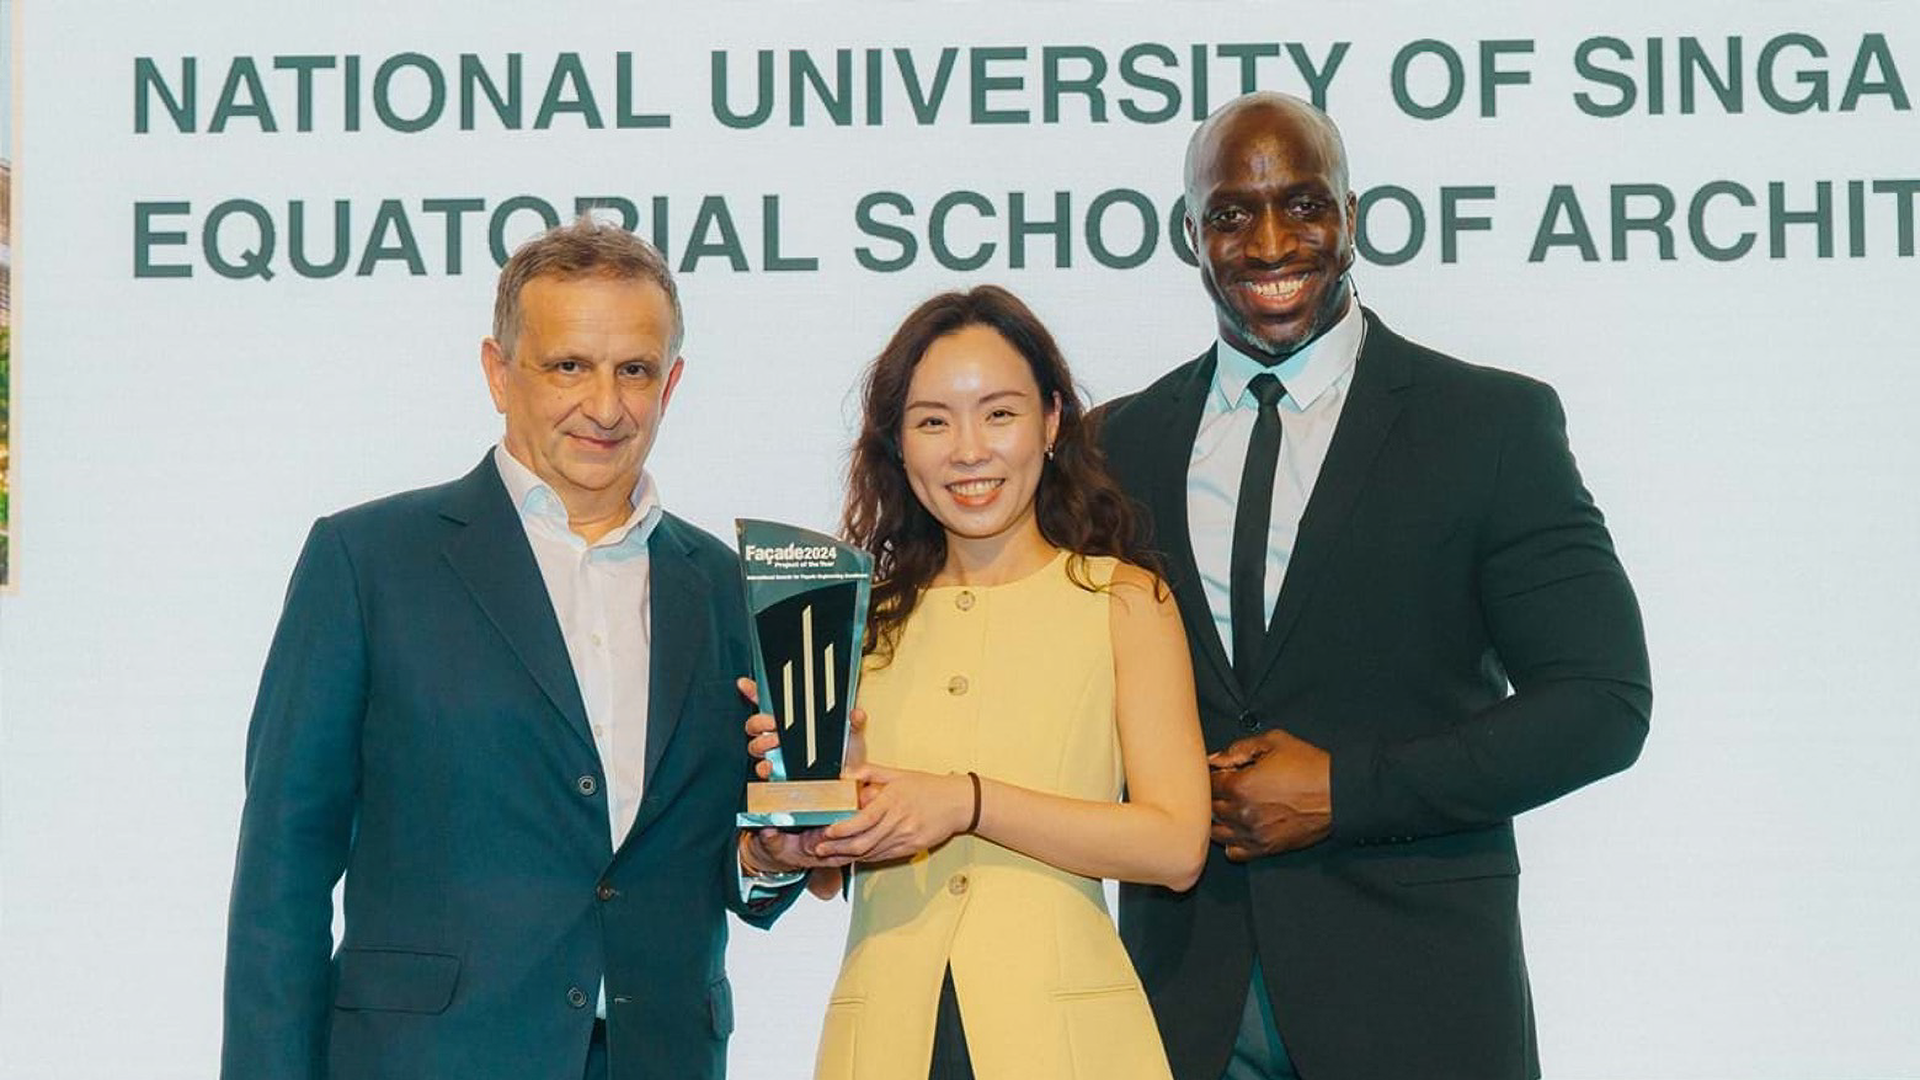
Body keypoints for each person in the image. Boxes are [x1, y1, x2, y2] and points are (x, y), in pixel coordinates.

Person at [1094, 93, 1652, 1080]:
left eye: (1303, 205)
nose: (1271, 241)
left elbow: (1602, 706)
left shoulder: (1488, 426)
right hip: (1176, 1010)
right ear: (1189, 234)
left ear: (1352, 215)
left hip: (1418, 1003)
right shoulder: (1112, 448)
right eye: (1231, 214)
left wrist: (1348, 792)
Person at [221, 218, 797, 1080]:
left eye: (633, 370)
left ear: (670, 383)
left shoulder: (726, 585)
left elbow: (721, 863)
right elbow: (280, 880)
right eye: (569, 365)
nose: (605, 406)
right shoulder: (369, 561)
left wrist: (769, 858)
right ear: (499, 372)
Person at [749, 285, 1210, 1079]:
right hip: (884, 1043)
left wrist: (968, 800)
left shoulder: (1124, 600)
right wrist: (805, 812)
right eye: (933, 421)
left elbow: (1175, 844)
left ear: (1053, 421)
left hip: (1068, 1047)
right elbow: (823, 872)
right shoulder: (852, 620)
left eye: (999, 413)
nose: (969, 451)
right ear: (897, 444)